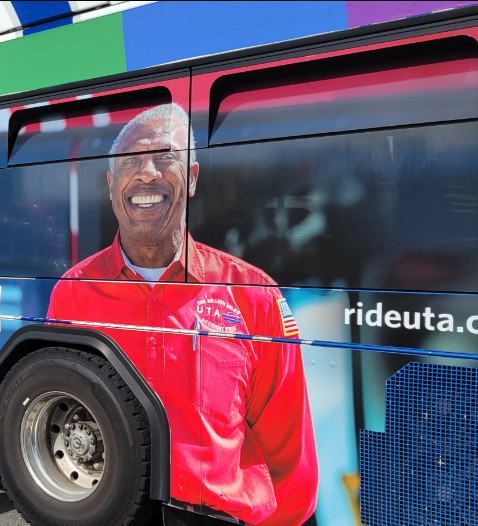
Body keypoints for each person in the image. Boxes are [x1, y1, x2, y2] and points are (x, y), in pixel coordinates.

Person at [46, 103, 317, 525]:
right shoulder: (72, 293)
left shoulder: (255, 296)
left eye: (164, 157)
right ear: (111, 183)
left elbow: (289, 452)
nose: (148, 172)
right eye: (131, 161)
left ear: (190, 178)